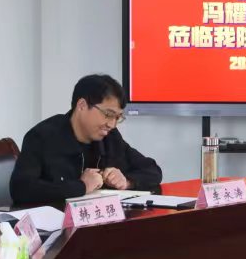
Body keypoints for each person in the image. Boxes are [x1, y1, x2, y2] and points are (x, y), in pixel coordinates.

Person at [11, 72, 163, 208]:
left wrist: (127, 181)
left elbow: (152, 170)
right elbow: (21, 189)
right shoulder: (42, 137)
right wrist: (81, 186)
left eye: (117, 117)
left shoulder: (110, 137)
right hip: (56, 225)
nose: (112, 124)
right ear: (82, 106)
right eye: (108, 114)